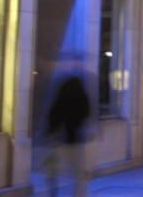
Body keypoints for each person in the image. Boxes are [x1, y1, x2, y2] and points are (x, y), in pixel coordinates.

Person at [46, 69, 91, 197]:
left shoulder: (60, 101)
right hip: (76, 140)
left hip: (59, 141)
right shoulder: (82, 99)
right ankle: (78, 194)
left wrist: (50, 135)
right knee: (77, 172)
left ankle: (54, 193)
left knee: (55, 171)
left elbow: (53, 118)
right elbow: (86, 115)